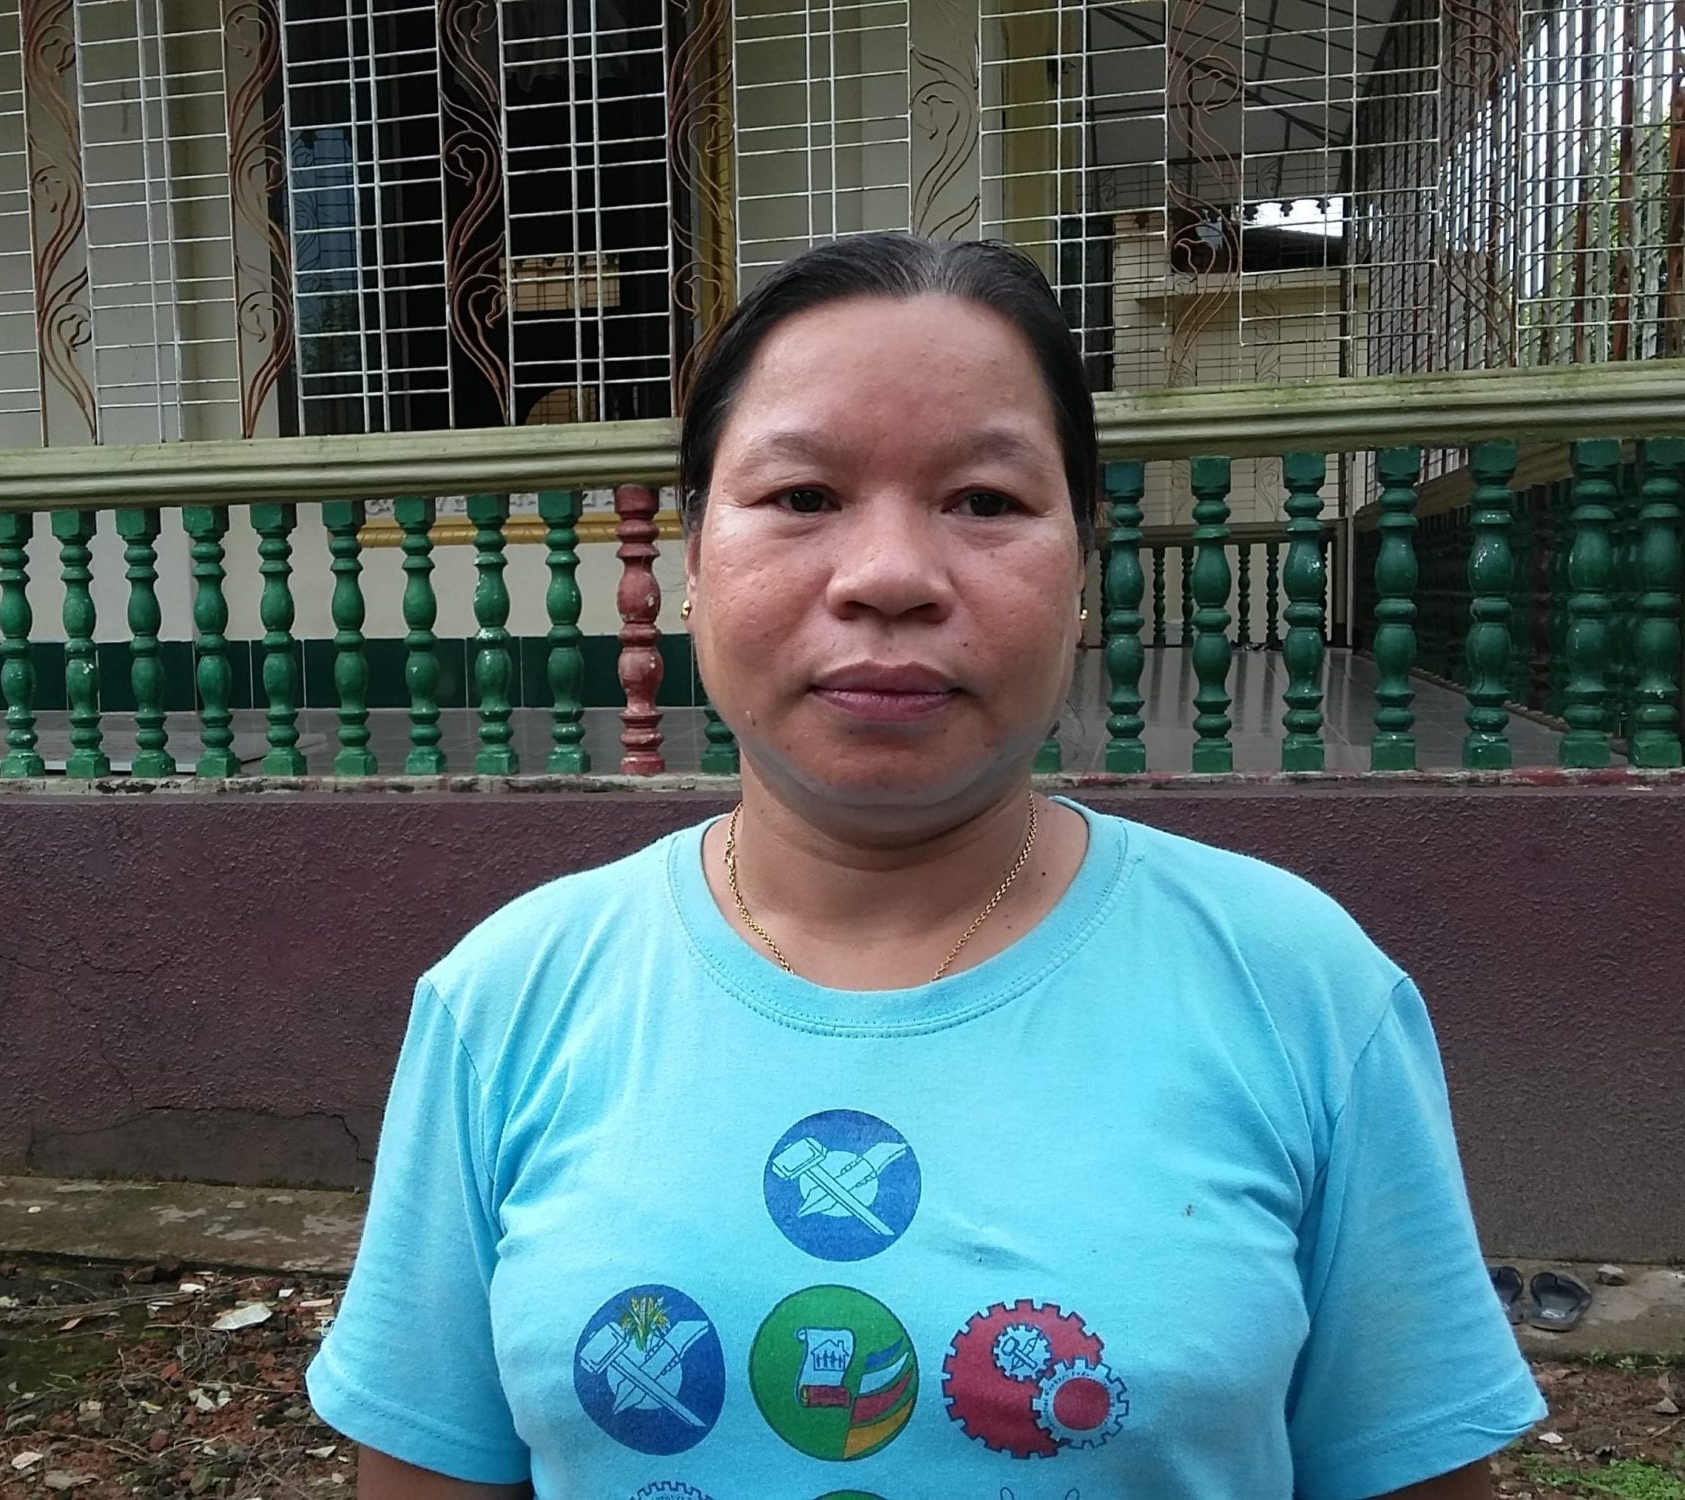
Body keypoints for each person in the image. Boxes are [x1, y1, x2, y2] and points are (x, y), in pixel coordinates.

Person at [306, 233, 1542, 1499]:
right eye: (800, 497)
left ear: (1081, 568)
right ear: (689, 563)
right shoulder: (509, 1000)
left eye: (985, 503)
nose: (888, 576)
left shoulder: (1300, 991)